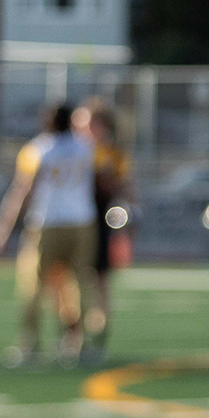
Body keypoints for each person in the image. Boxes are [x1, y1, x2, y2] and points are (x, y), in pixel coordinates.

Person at [0, 102, 103, 367]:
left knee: (32, 286)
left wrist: (3, 228)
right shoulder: (86, 146)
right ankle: (79, 342)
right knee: (80, 283)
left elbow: (22, 190)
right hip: (82, 222)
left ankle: (30, 342)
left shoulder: (38, 149)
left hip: (47, 222)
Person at [77, 98, 132, 359]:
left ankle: (98, 336)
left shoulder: (112, 154)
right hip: (72, 222)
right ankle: (73, 335)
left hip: (97, 223)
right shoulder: (71, 150)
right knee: (69, 281)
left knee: (99, 280)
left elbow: (125, 190)